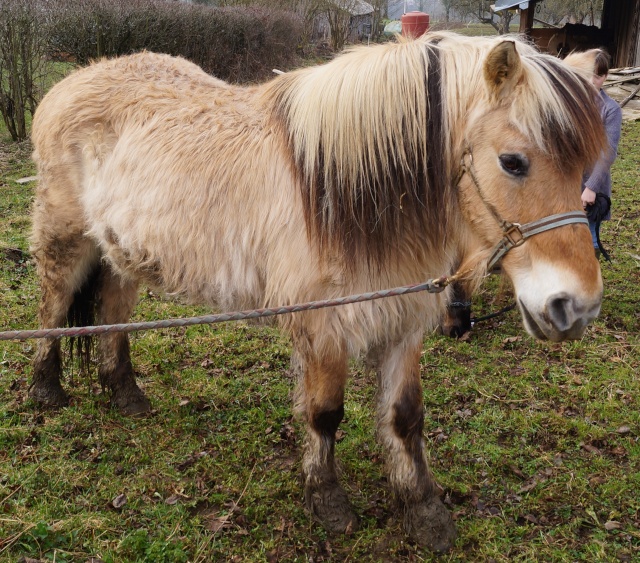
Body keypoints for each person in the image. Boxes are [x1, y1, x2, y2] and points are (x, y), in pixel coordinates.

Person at [582, 49, 623, 260]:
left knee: (590, 238)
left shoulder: (611, 110)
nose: (591, 80)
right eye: (588, 73)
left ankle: (590, 286)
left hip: (591, 185)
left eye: (597, 76)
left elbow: (607, 152)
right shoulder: (571, 103)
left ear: (605, 77)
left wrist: (591, 188)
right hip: (564, 183)